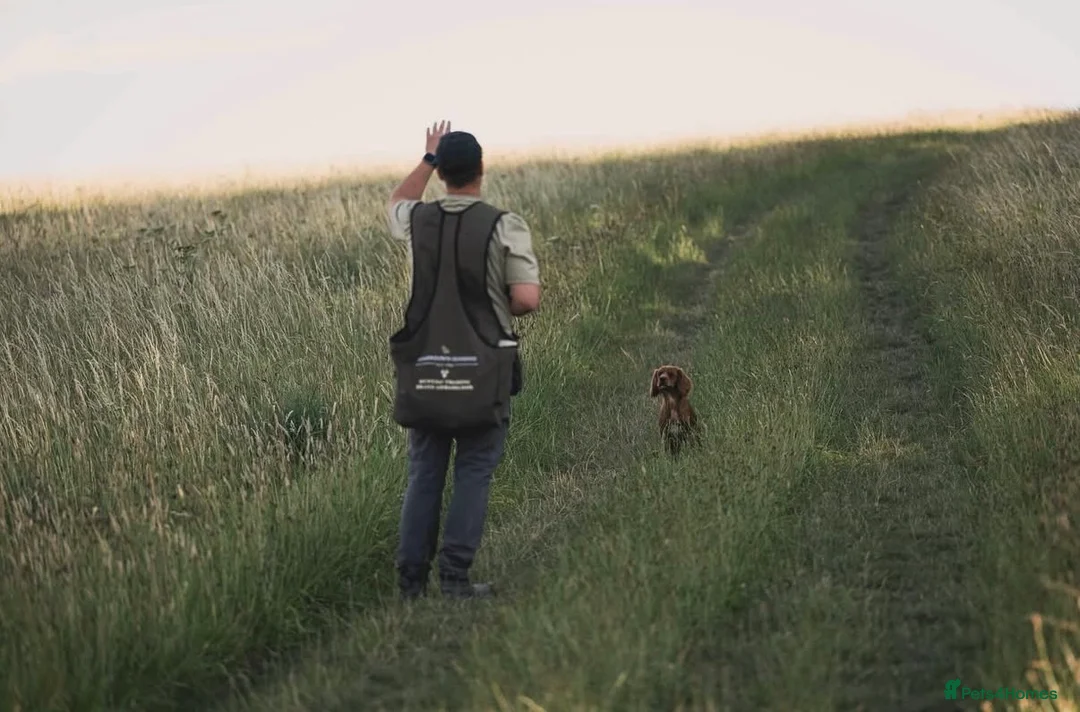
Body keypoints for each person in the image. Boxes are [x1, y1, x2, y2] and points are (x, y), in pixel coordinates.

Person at [386, 120, 541, 600]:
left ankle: (410, 582)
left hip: (425, 368)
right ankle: (454, 578)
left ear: (443, 174)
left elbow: (395, 202)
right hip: (484, 371)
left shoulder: (417, 220)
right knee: (473, 471)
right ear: (481, 169)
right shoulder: (504, 224)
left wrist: (426, 157)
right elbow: (527, 299)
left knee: (424, 471)